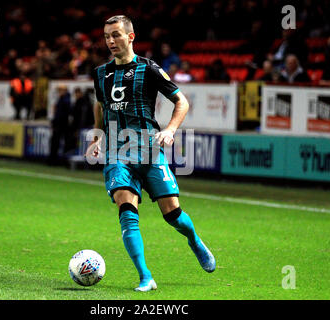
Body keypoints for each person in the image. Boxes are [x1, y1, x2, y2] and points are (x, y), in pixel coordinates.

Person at [86, 15, 215, 292]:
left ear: (131, 37)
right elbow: (100, 105)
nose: (111, 41)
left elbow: (181, 102)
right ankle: (145, 277)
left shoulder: (150, 69)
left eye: (117, 35)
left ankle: (194, 240)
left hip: (148, 149)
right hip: (116, 152)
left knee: (173, 215)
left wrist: (169, 130)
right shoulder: (100, 73)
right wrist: (97, 134)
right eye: (107, 36)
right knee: (127, 210)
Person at [48, 85, 73, 165]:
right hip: (59, 124)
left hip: (61, 125)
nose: (59, 92)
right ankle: (53, 159)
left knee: (57, 142)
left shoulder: (65, 100)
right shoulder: (62, 99)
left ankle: (57, 160)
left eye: (61, 90)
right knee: (55, 142)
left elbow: (62, 113)